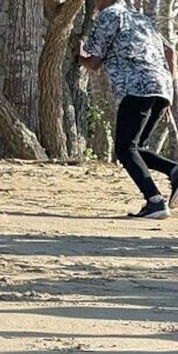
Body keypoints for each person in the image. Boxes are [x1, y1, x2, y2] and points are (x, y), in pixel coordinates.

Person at [79, 0, 178, 220]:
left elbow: (94, 63)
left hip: (136, 87)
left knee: (125, 150)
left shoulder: (109, 16)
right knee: (136, 148)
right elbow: (171, 53)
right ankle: (174, 171)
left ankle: (154, 200)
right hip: (162, 88)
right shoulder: (140, 18)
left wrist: (78, 56)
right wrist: (169, 89)